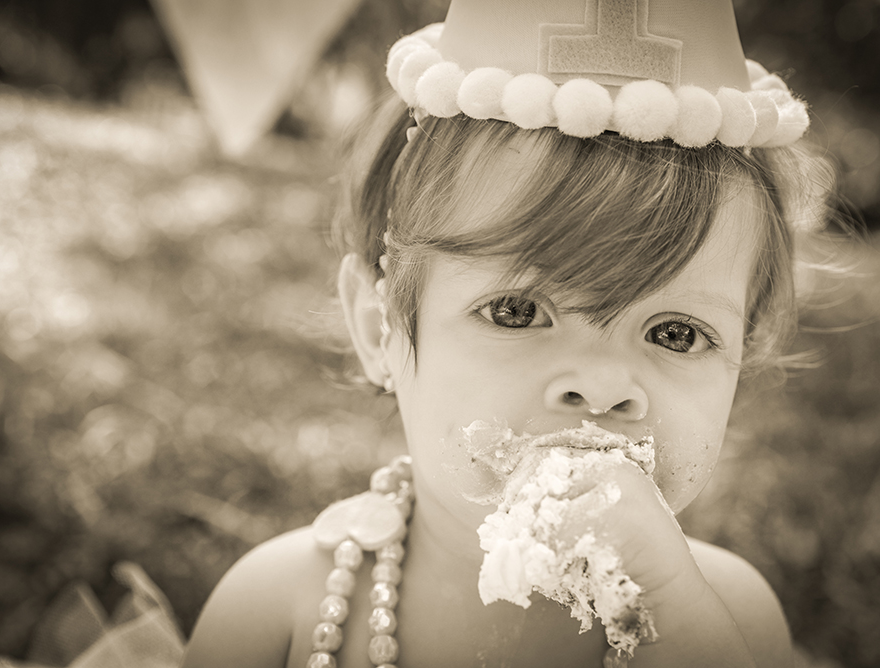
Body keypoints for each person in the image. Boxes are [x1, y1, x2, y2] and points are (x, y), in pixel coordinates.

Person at [182, 0, 835, 665]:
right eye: (516, 313)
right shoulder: (275, 611)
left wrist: (671, 598)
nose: (603, 387)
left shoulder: (734, 621)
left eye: (676, 333)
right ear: (382, 331)